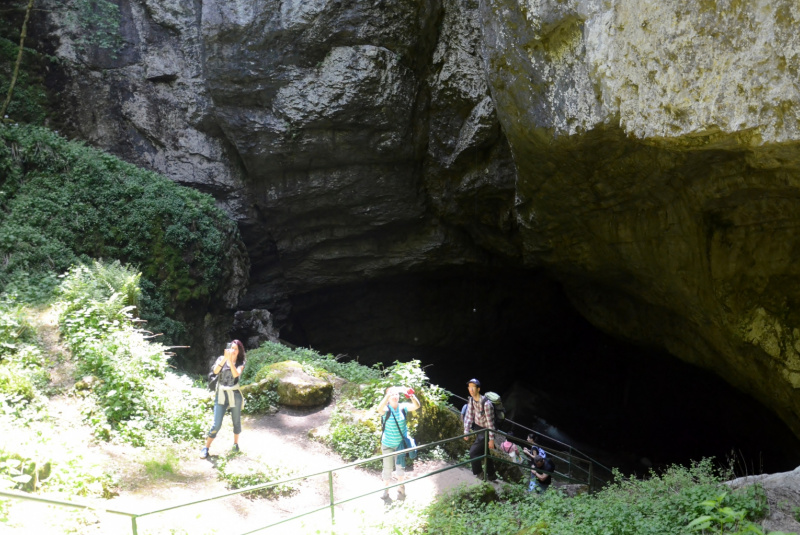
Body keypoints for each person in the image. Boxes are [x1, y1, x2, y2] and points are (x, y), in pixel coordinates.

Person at [201, 340, 246, 458]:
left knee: (236, 421)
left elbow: (236, 374)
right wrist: (225, 359)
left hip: (234, 393)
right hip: (221, 394)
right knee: (216, 424)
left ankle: (236, 444)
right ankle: (206, 447)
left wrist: (231, 361)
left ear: (239, 351)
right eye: (231, 348)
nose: (233, 351)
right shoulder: (222, 358)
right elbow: (215, 371)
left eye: (235, 349)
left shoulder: (241, 362)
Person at [377, 385, 420, 501]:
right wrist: (387, 395)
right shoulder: (386, 410)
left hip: (400, 444)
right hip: (387, 444)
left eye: (396, 394)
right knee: (387, 468)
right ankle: (386, 489)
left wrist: (411, 395)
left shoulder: (402, 408)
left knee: (400, 467)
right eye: (392, 394)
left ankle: (401, 488)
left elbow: (417, 405)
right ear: (388, 397)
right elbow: (379, 409)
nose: (395, 396)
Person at [462, 378, 497, 481]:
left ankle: (480, 474)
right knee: (484, 452)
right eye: (469, 387)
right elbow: (469, 415)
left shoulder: (486, 404)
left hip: (486, 431)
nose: (471, 390)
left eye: (473, 388)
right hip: (478, 428)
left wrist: (491, 439)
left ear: (478, 389)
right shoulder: (472, 400)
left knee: (473, 452)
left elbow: (491, 424)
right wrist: (466, 430)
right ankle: (492, 475)